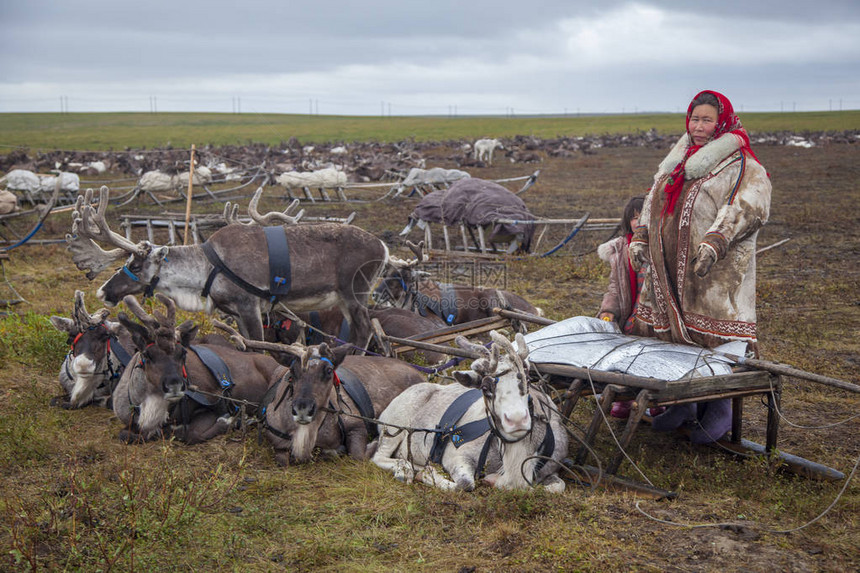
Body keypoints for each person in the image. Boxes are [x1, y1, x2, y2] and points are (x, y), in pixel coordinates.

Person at [628, 90, 772, 443]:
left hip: (714, 275)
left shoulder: (741, 166)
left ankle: (719, 405)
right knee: (671, 337)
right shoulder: (675, 162)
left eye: (707, 119)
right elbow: (654, 197)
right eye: (694, 119)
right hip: (668, 273)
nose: (698, 126)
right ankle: (683, 403)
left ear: (721, 122)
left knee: (713, 340)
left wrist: (717, 239)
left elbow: (750, 204)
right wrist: (642, 236)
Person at [596, 195, 650, 419]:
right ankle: (626, 398)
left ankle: (655, 400)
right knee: (625, 353)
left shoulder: (661, 246)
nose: (638, 222)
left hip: (654, 314)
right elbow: (615, 287)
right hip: (631, 312)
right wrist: (608, 310)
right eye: (634, 218)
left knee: (651, 355)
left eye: (643, 217)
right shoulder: (620, 250)